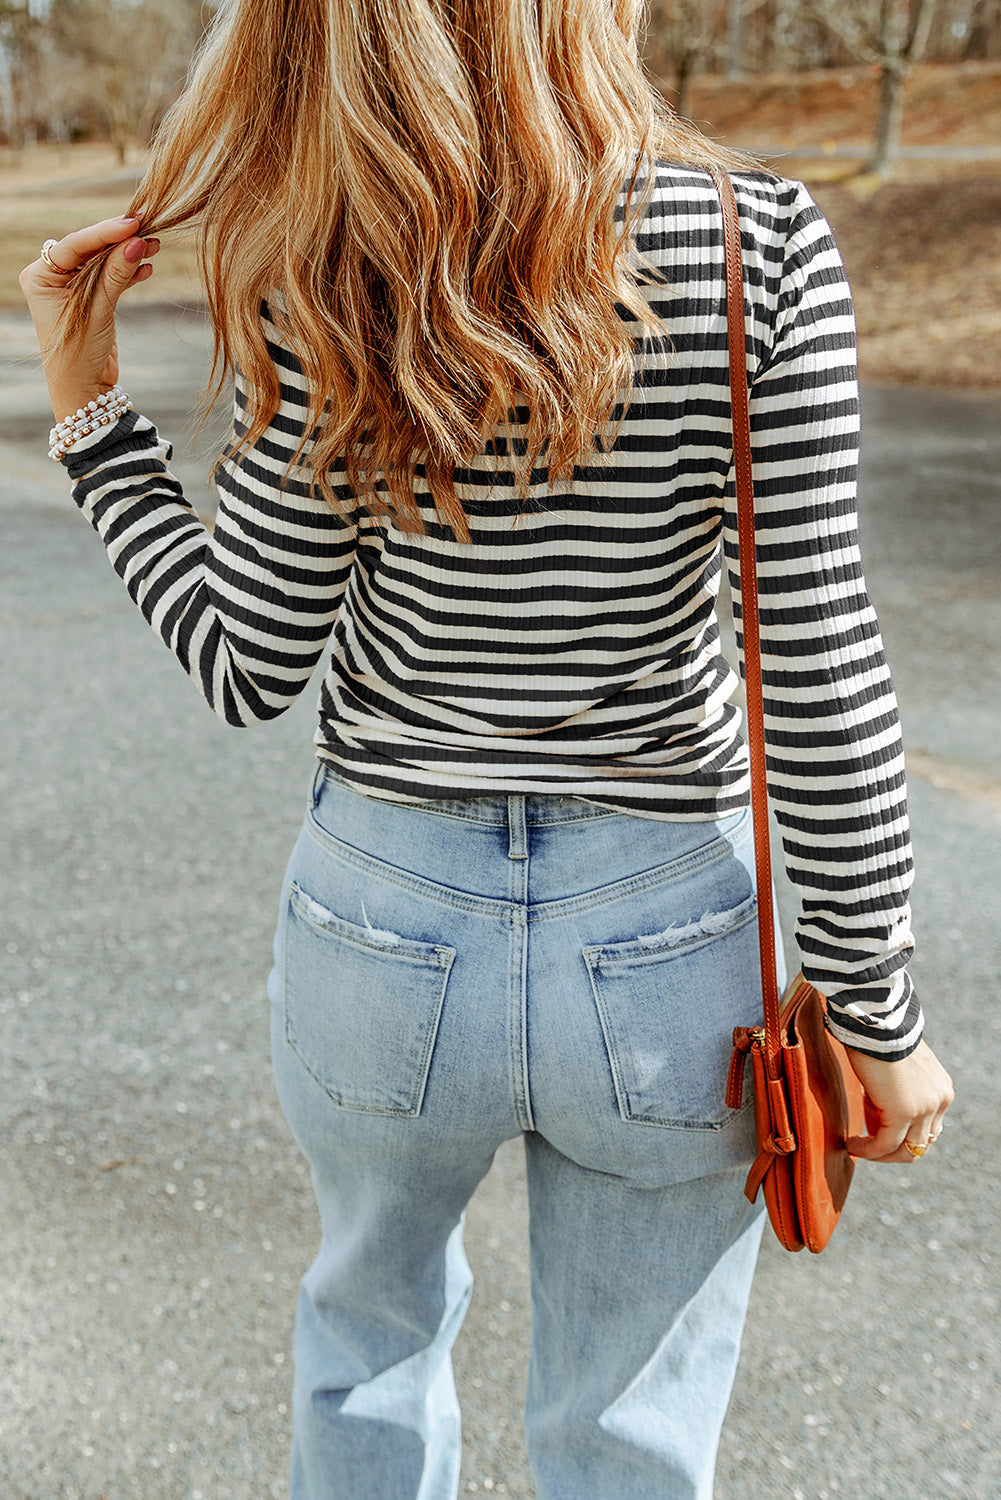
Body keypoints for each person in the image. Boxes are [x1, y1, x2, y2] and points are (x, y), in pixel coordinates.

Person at [20, 1, 954, 1495]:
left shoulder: (328, 261)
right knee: (628, 1425)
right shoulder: (756, 245)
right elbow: (820, 668)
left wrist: (92, 420)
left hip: (382, 927)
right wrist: (876, 1011)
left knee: (366, 1351)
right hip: (665, 939)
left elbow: (244, 662)